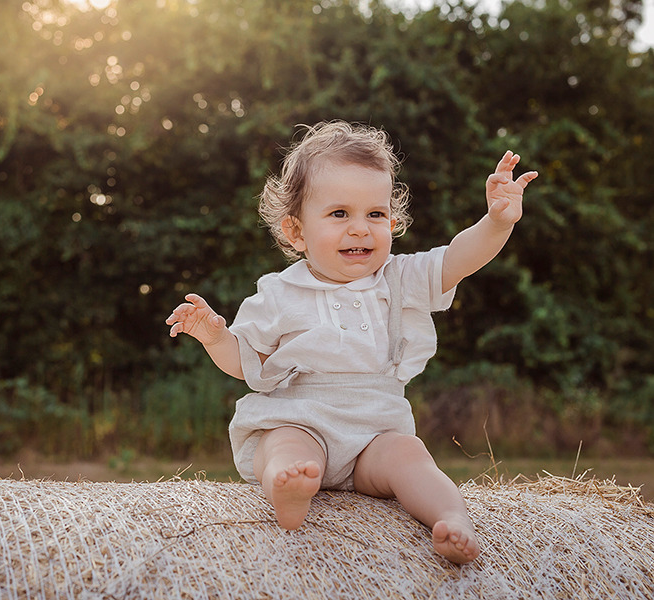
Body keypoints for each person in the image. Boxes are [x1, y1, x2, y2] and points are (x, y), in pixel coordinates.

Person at [165, 121, 538, 564]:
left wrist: (496, 222)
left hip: (375, 433)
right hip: (301, 416)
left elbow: (458, 258)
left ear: (392, 222)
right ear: (296, 232)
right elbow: (247, 362)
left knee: (410, 455)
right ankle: (290, 486)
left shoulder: (400, 279)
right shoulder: (280, 292)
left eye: (374, 215)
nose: (360, 229)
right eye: (339, 214)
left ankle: (451, 518)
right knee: (282, 444)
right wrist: (214, 335)